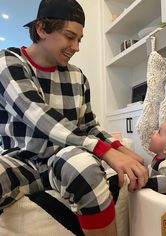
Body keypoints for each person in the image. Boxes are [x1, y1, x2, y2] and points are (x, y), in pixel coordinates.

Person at [0, 0, 148, 235]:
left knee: (84, 167)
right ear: (42, 29)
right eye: (70, 37)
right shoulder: (8, 62)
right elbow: (37, 114)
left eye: (79, 39)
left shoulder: (77, 77)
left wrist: (120, 148)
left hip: (63, 158)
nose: (76, 47)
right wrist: (105, 151)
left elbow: (89, 126)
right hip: (20, 161)